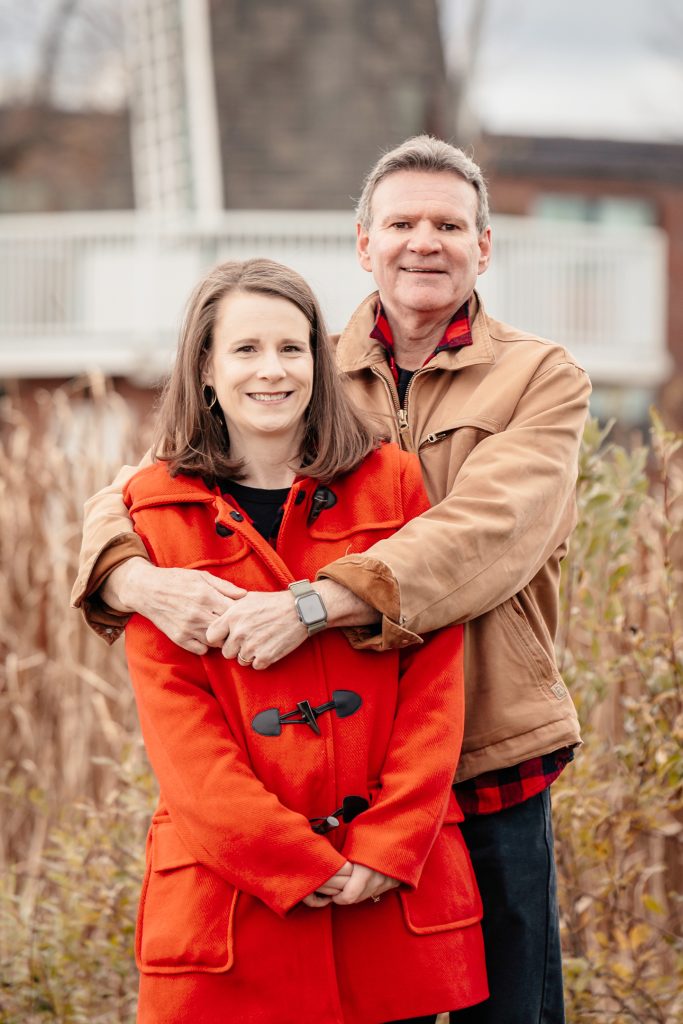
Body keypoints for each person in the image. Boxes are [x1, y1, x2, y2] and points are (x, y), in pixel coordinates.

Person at [72, 136, 592, 1024]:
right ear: (363, 242)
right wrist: (129, 579)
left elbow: (484, 533)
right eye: (400, 222)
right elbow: (142, 489)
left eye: (448, 224)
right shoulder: (301, 361)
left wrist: (311, 607)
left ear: (483, 245)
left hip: (484, 742)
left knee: (508, 1004)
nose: (423, 241)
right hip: (324, 768)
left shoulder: (537, 377)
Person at [115, 257, 487, 1023]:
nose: (272, 372)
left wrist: (386, 845)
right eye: (245, 350)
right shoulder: (153, 512)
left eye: (292, 349)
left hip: (387, 894)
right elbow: (180, 730)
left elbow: (436, 680)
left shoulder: (392, 482)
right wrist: (290, 859)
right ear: (206, 371)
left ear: (319, 366)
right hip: (233, 907)